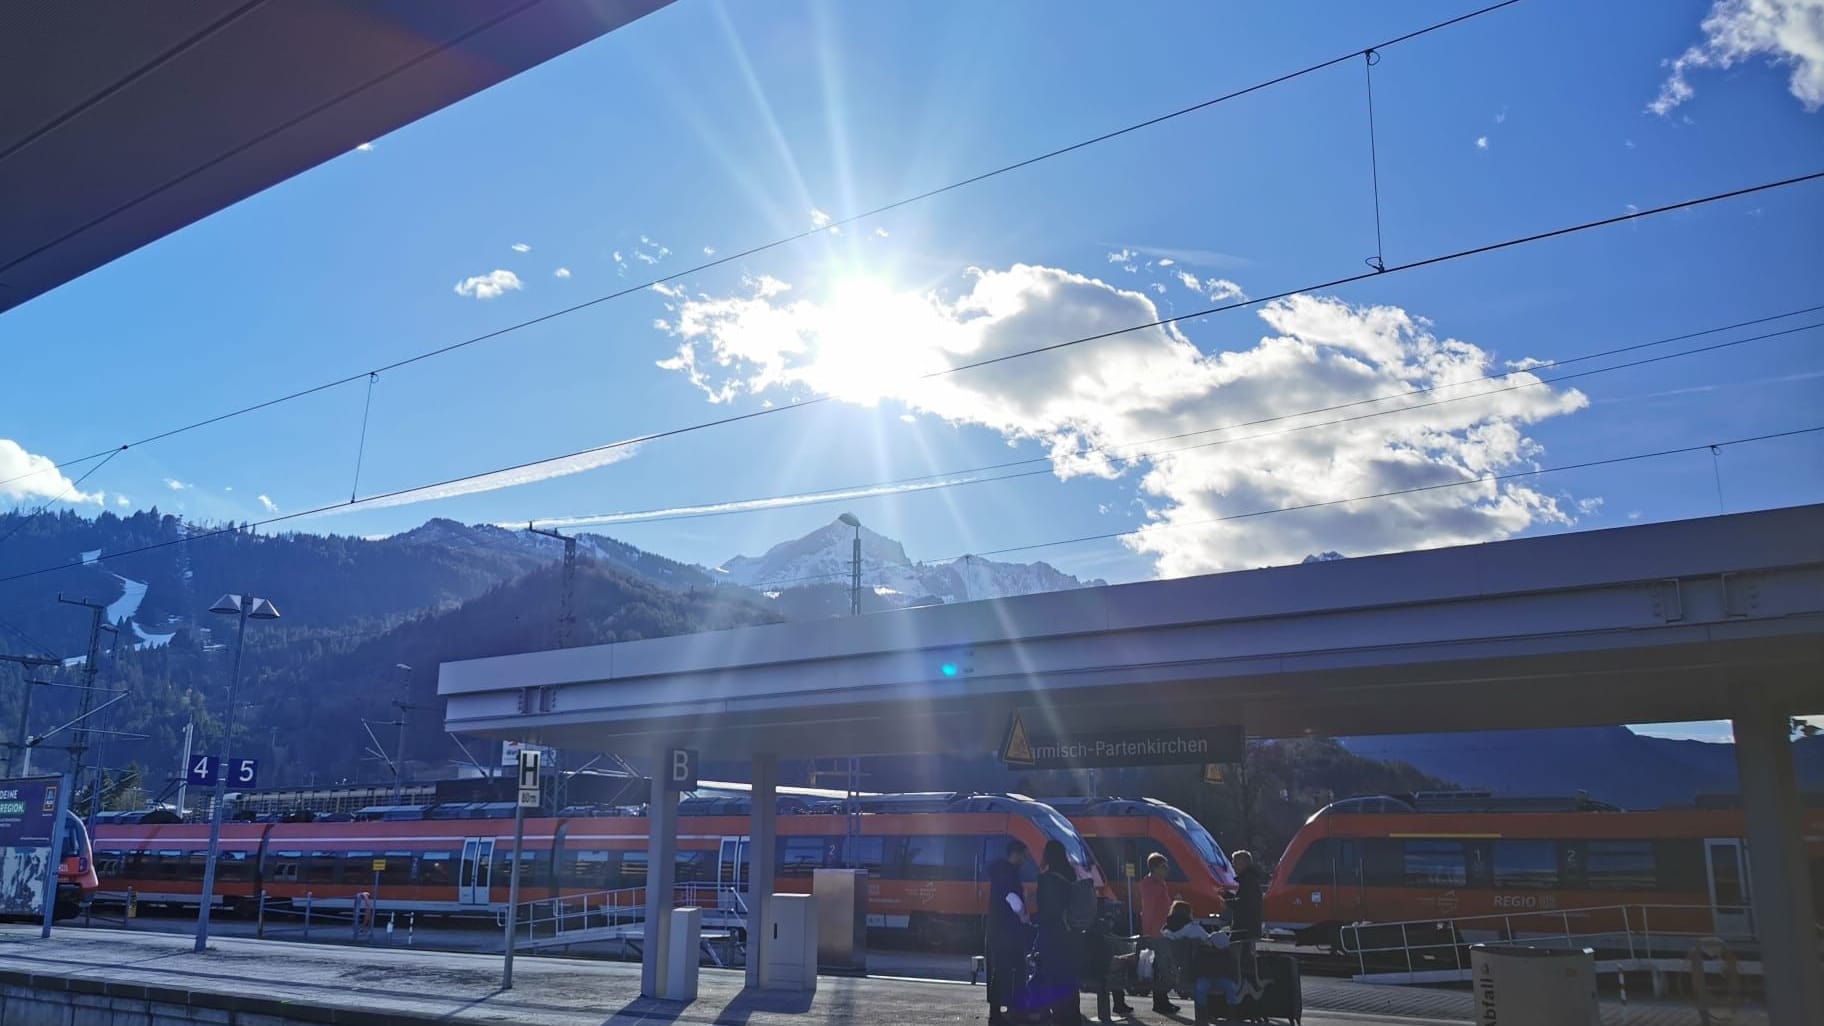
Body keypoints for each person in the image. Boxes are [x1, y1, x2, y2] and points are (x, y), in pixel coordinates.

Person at [1162, 901, 1252, 1025]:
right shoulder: (1192, 928)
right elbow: (1207, 939)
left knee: (1201, 987)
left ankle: (1201, 1019)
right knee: (1229, 983)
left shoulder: (1167, 931)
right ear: (1188, 913)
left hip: (1190, 970)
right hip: (1207, 968)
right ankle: (1232, 1017)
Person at [1033, 839, 1084, 1025]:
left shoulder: (1046, 879)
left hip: (1052, 935)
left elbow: (1045, 910)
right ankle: (1073, 1016)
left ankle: (1060, 1017)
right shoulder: (1071, 876)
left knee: (1053, 977)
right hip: (1071, 934)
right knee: (1069, 977)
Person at [985, 839, 1030, 1026]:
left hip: (998, 929)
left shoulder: (1001, 872)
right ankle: (1011, 1010)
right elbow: (1012, 898)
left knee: (1002, 970)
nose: (1025, 859)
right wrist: (1023, 915)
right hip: (1007, 931)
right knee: (1015, 968)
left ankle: (997, 1011)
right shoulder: (1008, 873)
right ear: (1016, 854)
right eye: (1024, 855)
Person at [1137, 853, 1178, 1014]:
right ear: (1154, 868)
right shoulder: (1151, 885)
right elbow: (1149, 909)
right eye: (1163, 866)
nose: (1167, 870)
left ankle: (1162, 1000)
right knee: (1162, 967)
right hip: (1156, 933)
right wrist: (1148, 932)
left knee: (1162, 967)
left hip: (1162, 931)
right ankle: (1161, 1001)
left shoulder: (1159, 883)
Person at [1228, 850, 1263, 941]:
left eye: (1235, 863)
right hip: (1248, 928)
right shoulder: (1250, 879)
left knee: (1239, 953)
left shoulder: (1248, 881)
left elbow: (1244, 903)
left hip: (1244, 929)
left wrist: (1225, 902)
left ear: (1243, 863)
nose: (1233, 866)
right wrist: (1226, 895)